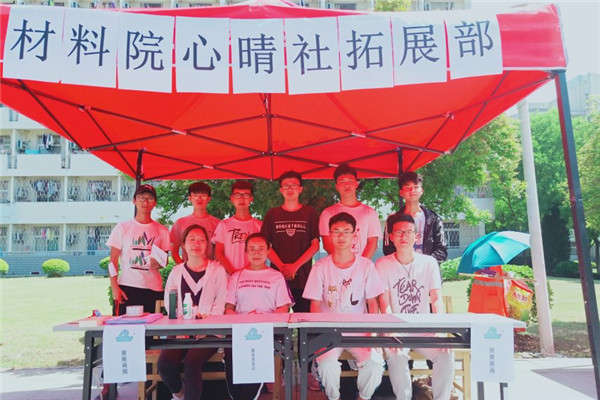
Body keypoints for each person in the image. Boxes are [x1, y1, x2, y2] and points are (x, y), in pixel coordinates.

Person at [303, 212, 385, 400]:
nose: (341, 236)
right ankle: (334, 398)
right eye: (336, 231)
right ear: (329, 235)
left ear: (355, 235)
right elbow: (315, 305)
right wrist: (319, 336)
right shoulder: (320, 267)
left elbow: (373, 303)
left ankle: (363, 397)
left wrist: (373, 335)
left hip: (360, 331)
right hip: (329, 332)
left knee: (374, 362)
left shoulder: (366, 266)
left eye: (346, 232)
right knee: (326, 365)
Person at [376, 214, 454, 400]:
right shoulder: (382, 264)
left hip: (423, 329)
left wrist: (440, 328)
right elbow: (384, 304)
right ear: (391, 237)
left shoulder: (429, 263)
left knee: (445, 353)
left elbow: (436, 298)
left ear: (416, 237)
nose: (403, 236)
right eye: (398, 232)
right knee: (396, 355)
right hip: (396, 329)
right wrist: (390, 330)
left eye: (408, 232)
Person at [158, 225, 228, 400]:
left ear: (207, 245)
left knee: (191, 363)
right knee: (165, 364)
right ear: (183, 244)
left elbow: (220, 303)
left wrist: (204, 328)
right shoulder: (177, 271)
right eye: (192, 239)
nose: (197, 244)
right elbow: (170, 302)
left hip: (210, 332)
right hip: (181, 330)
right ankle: (179, 394)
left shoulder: (217, 270)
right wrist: (181, 328)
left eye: (201, 240)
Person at [223, 233, 293, 400]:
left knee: (255, 358)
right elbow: (229, 308)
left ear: (268, 251)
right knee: (232, 353)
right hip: (240, 330)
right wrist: (242, 321)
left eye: (261, 249)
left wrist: (263, 321)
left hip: (266, 331)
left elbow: (283, 307)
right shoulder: (236, 277)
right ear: (246, 252)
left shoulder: (276, 276)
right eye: (252, 249)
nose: (256, 253)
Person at [106, 184, 170, 316]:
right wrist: (115, 287)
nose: (145, 202)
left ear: (155, 203)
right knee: (124, 327)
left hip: (153, 288)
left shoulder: (162, 230)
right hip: (127, 287)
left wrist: (159, 263)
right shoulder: (122, 227)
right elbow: (112, 261)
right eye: (141, 198)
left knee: (152, 327)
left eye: (150, 198)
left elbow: (165, 260)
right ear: (134, 201)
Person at [261, 170, 320, 312]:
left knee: (305, 319)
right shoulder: (272, 214)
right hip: (277, 278)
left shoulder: (310, 213)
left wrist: (295, 266)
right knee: (278, 320)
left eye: (294, 185)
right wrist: (282, 267)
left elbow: (315, 245)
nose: (290, 189)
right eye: (286, 186)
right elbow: (265, 245)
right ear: (281, 190)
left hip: (303, 278)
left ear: (300, 189)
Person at [382, 171, 447, 267]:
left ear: (422, 191)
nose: (412, 190)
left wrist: (425, 265)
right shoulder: (392, 220)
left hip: (427, 270)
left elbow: (441, 249)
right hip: (401, 271)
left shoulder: (433, 219)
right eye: (407, 187)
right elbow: (388, 249)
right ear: (401, 192)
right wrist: (404, 264)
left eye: (416, 187)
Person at [319, 164, 382, 259]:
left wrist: (360, 265)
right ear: (336, 186)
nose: (347, 185)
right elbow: (327, 244)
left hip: (362, 266)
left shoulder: (369, 213)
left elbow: (373, 244)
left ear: (357, 184)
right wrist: (343, 263)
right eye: (342, 181)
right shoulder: (328, 213)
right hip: (336, 265)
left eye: (350, 181)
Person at [213, 180, 262, 275]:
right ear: (232, 198)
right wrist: (233, 273)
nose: (242, 199)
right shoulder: (223, 225)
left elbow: (264, 253)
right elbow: (218, 253)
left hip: (253, 277)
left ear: (251, 198)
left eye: (246, 195)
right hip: (229, 277)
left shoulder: (259, 226)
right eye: (237, 195)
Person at [170, 181, 220, 263]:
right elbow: (174, 251)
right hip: (187, 268)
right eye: (195, 195)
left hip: (210, 268)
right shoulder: (180, 223)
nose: (199, 199)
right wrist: (183, 268)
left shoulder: (218, 224)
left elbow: (220, 253)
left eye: (203, 196)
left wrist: (214, 269)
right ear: (190, 198)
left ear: (209, 198)